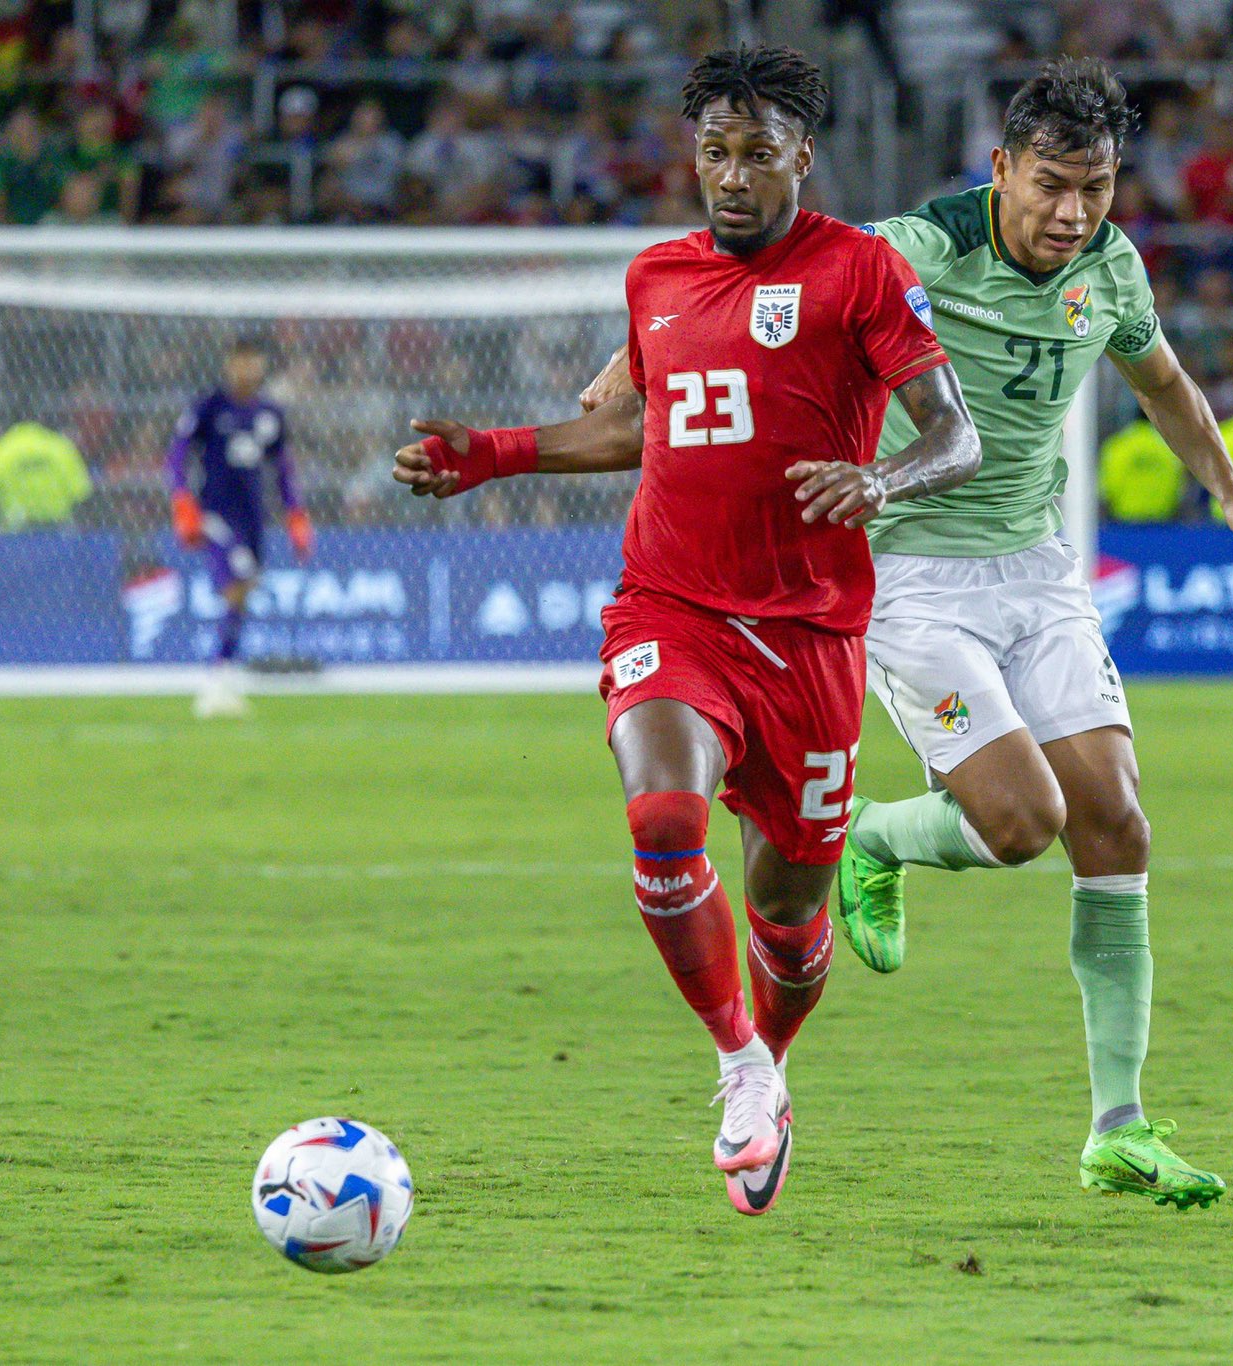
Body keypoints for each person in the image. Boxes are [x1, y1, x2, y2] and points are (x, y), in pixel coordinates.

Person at [580, 57, 1233, 1210]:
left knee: (1116, 823)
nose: (1073, 213)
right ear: (1001, 170)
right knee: (1023, 823)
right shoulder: (920, 248)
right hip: (909, 571)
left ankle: (1116, 1125)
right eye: (1052, 186)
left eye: (1098, 188)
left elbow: (1162, 382)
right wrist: (632, 358)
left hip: (1038, 569)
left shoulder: (1109, 270)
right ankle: (868, 836)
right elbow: (769, 271)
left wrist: (1225, 492)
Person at [392, 45, 981, 1218]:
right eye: (713, 151)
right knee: (662, 819)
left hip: (810, 638)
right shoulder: (655, 275)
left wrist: (883, 481)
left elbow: (955, 437)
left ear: (801, 158)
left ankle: (774, 1058)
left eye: (758, 153)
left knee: (791, 917)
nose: (731, 175)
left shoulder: (858, 272)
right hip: (672, 604)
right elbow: (647, 429)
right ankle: (739, 1067)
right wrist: (492, 457)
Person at [167, 340, 310, 719]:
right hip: (214, 513)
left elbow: (282, 467)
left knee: (243, 591)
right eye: (240, 361)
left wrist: (295, 513)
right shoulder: (209, 407)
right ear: (229, 364)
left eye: (254, 361)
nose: (247, 369)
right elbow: (179, 451)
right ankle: (215, 682)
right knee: (237, 584)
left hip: (252, 518)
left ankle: (222, 675)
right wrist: (181, 500)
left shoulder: (270, 414)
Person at [0, 420, 91, 532]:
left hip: (15, 526)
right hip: (57, 526)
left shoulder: (1, 449)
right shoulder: (59, 447)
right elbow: (81, 491)